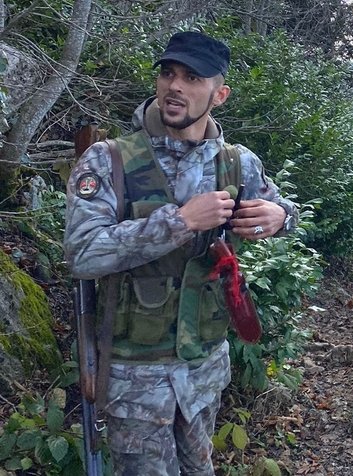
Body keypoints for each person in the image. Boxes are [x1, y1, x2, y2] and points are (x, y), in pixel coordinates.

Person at [63, 31, 298, 475]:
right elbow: (82, 254)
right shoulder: (108, 160)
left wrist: (280, 217)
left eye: (192, 78)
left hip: (203, 369)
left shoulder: (236, 162)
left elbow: (284, 210)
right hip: (134, 378)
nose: (175, 86)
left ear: (219, 94)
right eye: (168, 74)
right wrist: (181, 221)